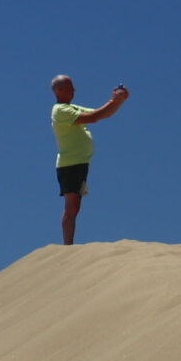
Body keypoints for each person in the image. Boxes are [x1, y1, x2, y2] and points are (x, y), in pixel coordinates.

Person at [51, 75, 129, 244]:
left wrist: (118, 101)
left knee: (75, 208)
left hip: (78, 164)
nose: (74, 90)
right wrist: (114, 101)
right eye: (70, 87)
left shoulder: (70, 108)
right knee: (71, 207)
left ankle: (68, 245)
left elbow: (101, 114)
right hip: (70, 164)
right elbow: (94, 117)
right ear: (60, 90)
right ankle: (67, 247)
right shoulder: (60, 110)